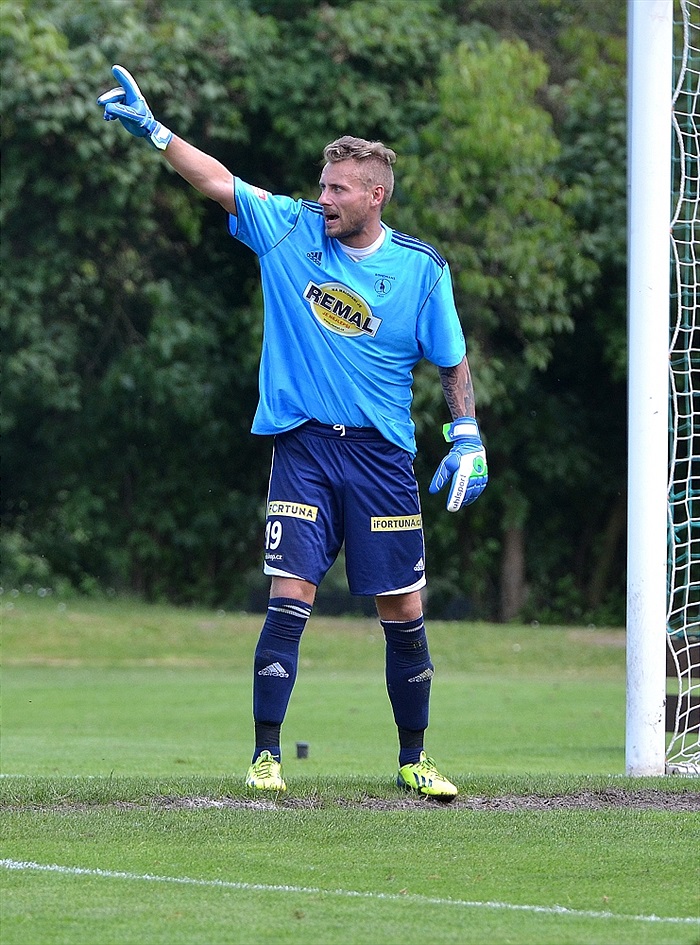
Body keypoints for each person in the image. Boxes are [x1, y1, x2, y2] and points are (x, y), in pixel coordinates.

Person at [97, 66, 488, 801]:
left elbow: (452, 359)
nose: (325, 198)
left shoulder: (421, 272)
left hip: (382, 456)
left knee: (403, 605)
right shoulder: (291, 232)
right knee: (291, 591)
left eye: (340, 188)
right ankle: (266, 755)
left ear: (376, 195)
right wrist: (155, 132)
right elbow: (219, 182)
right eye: (324, 184)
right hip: (304, 445)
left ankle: (414, 757)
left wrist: (467, 434)